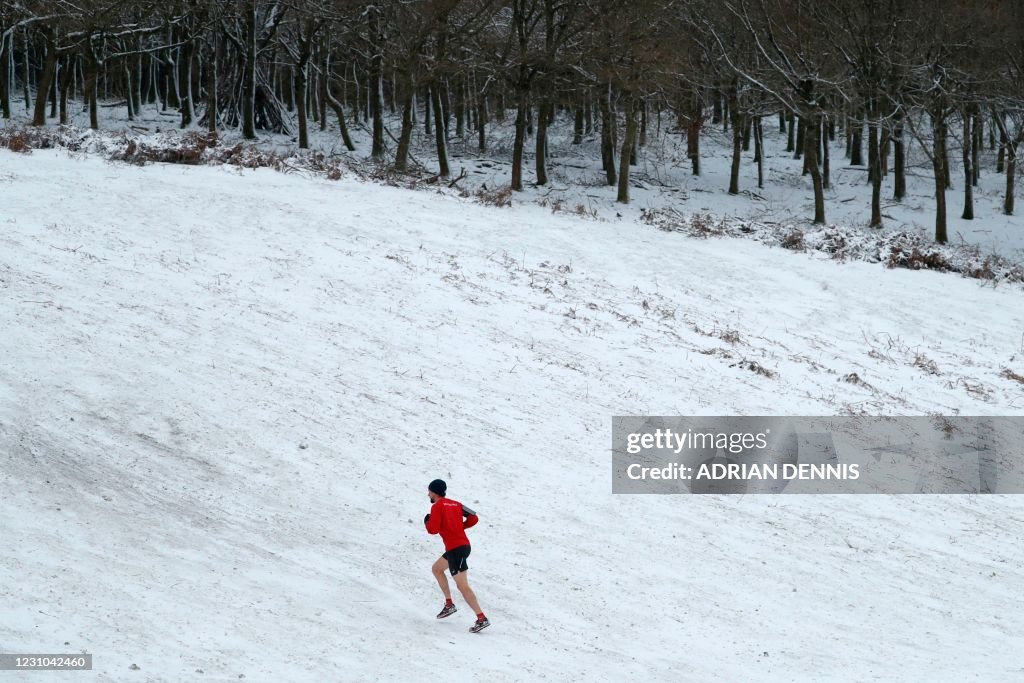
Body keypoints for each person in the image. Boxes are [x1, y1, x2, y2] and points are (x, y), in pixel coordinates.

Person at [424, 479, 490, 633]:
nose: (428, 494)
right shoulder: (457, 504)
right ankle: (449, 604)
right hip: (461, 546)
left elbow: (432, 530)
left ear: (434, 492)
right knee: (437, 569)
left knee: (462, 585)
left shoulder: (437, 507)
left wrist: (427, 522)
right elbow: (474, 517)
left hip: (455, 549)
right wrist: (460, 527)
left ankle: (481, 618)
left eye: (429, 491)